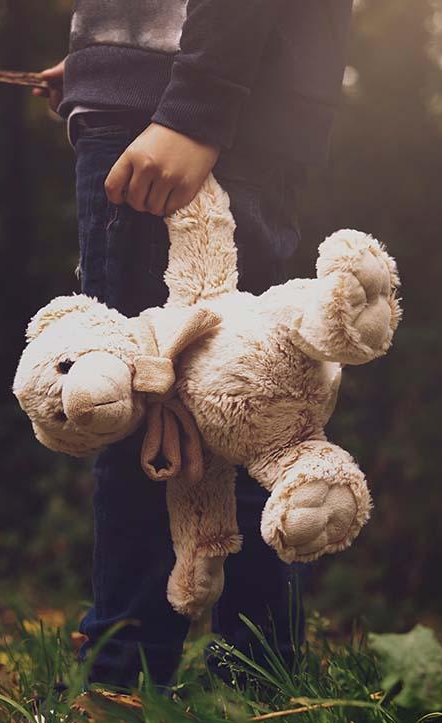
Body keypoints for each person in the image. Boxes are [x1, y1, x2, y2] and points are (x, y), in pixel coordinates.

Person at [34, 0, 354, 688]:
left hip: (182, 110)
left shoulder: (191, 109)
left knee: (137, 402)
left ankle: (122, 686)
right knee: (246, 409)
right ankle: (262, 685)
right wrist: (106, 57)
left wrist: (191, 105)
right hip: (207, 92)